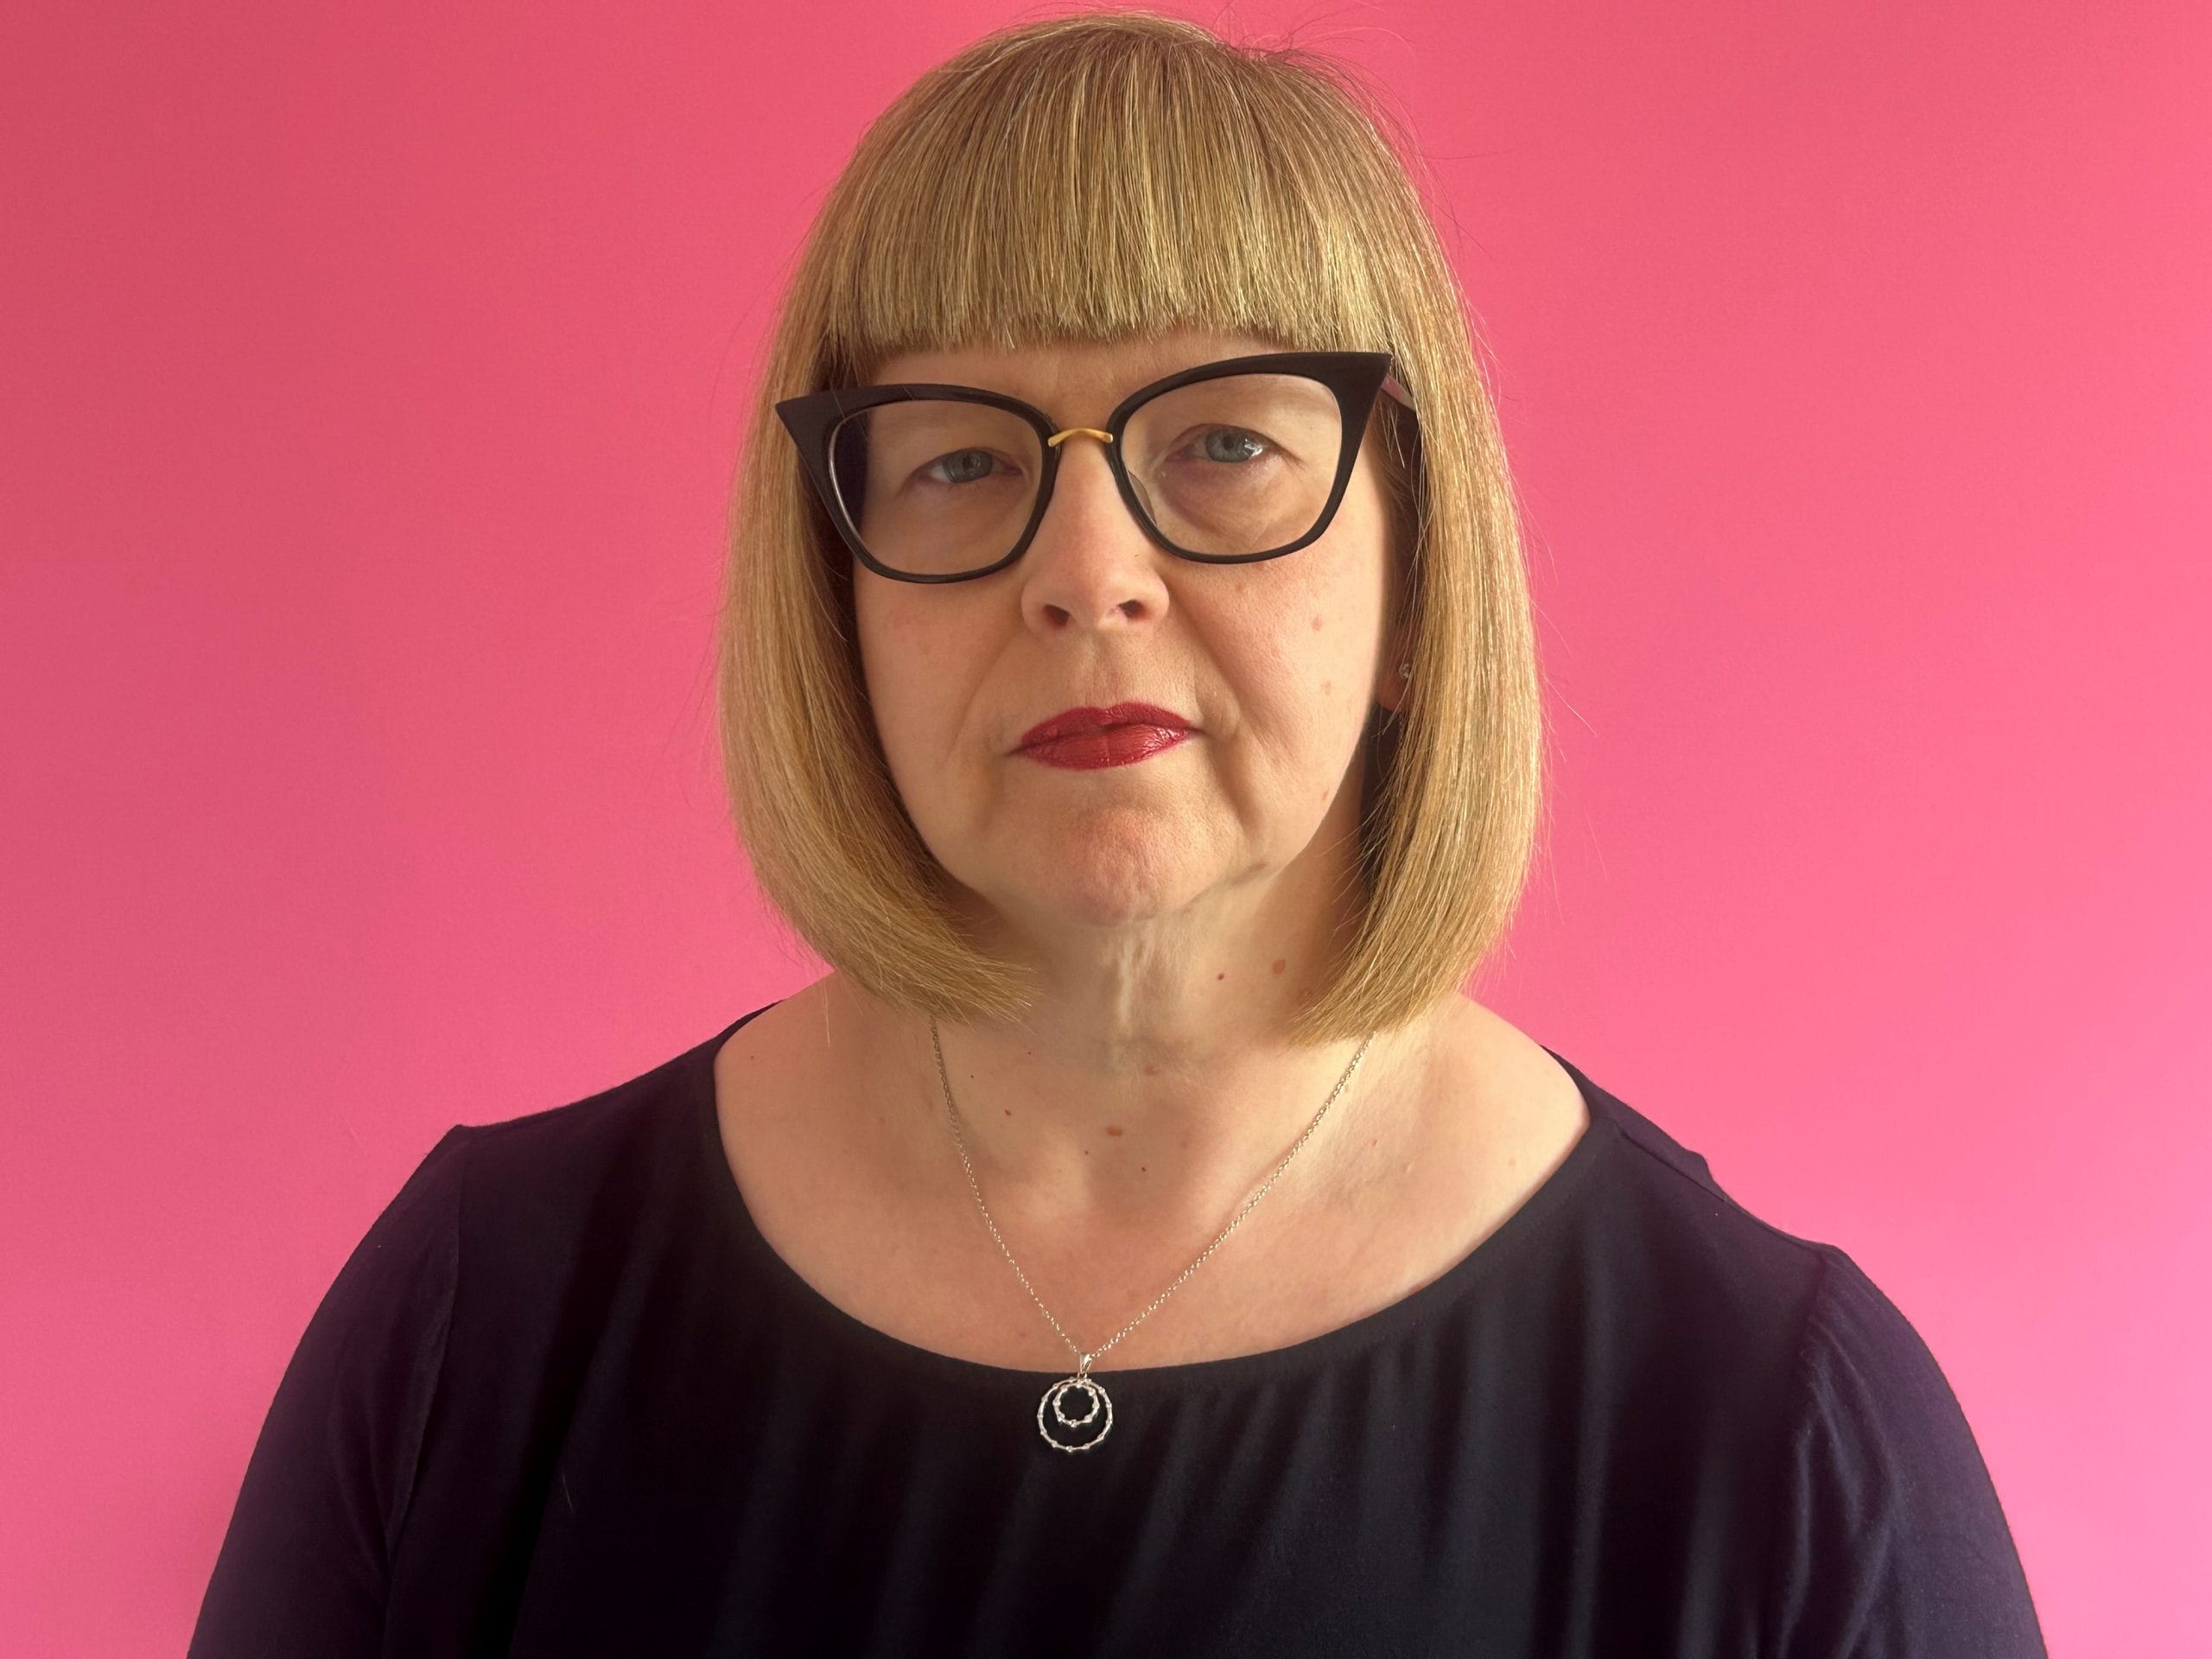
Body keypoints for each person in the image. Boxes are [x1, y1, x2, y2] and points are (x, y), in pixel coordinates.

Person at [189, 11, 2048, 1656]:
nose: (1085, 577)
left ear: (1414, 582)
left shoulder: (1777, 1430)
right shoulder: (475, 1324)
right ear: (832, 601)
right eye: (957, 457)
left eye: (1223, 443)